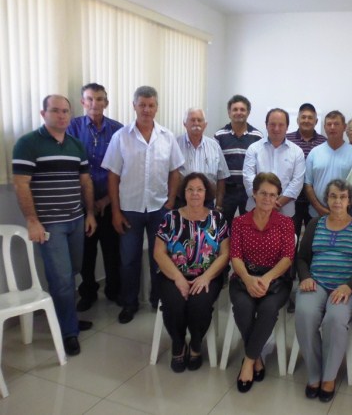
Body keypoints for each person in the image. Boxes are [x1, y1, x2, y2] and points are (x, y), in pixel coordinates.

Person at [12, 95, 97, 356]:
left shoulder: (75, 145)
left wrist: (90, 213)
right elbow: (21, 184)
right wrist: (32, 221)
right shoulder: (28, 144)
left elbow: (85, 182)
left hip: (76, 219)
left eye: (65, 112)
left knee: (72, 271)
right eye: (55, 111)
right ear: (43, 113)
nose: (61, 116)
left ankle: (66, 317)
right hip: (50, 224)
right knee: (60, 279)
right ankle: (68, 332)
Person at [102, 86, 184, 324]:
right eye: (142, 105)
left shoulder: (167, 137)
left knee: (160, 258)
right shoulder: (121, 137)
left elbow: (175, 171)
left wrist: (170, 202)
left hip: (159, 209)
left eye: (151, 105)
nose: (147, 109)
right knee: (128, 259)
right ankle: (129, 303)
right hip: (129, 209)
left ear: (156, 107)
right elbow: (113, 176)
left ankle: (158, 299)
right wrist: (115, 212)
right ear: (134, 105)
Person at [295, 179, 352, 402]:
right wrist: (306, 277)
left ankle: (329, 376)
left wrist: (350, 286)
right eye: (333, 196)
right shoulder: (315, 224)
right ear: (326, 199)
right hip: (316, 283)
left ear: (349, 201)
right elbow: (301, 258)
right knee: (304, 314)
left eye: (342, 197)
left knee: (335, 319)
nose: (337, 201)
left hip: (347, 287)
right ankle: (315, 373)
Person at [154, 173, 230, 373]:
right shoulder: (170, 218)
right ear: (184, 193)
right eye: (190, 189)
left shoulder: (218, 218)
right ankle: (178, 344)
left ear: (207, 193)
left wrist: (206, 277)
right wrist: (178, 278)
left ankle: (196, 345)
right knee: (174, 303)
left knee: (200, 304)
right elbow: (159, 253)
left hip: (208, 276)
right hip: (173, 275)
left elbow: (225, 254)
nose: (195, 194)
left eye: (200, 189)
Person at [229, 172, 296, 393]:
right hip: (243, 278)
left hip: (275, 281)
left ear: (277, 198)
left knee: (268, 308)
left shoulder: (285, 224)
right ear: (254, 194)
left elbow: (287, 258)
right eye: (263, 193)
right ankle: (256, 357)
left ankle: (248, 361)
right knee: (243, 307)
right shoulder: (240, 222)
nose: (267, 198)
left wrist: (266, 279)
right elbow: (235, 256)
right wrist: (248, 280)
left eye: (272, 195)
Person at [67, 83, 123, 311]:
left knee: (112, 251)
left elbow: (123, 169)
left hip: (111, 201)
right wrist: (89, 204)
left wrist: (107, 200)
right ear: (82, 102)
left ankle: (113, 291)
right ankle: (88, 292)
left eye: (99, 99)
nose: (94, 103)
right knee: (86, 253)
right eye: (89, 99)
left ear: (106, 103)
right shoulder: (72, 128)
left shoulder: (118, 130)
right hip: (82, 203)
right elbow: (71, 167)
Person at [243, 108, 305, 217]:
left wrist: (276, 203)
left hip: (285, 212)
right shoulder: (253, 149)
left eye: (281, 125)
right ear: (266, 125)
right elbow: (248, 178)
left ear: (287, 127)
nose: (276, 128)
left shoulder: (297, 152)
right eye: (272, 124)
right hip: (255, 211)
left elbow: (297, 182)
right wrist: (264, 201)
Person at [214, 95, 263, 227]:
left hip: (249, 191)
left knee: (249, 227)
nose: (239, 112)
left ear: (248, 112)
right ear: (229, 112)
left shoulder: (257, 136)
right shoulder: (219, 136)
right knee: (223, 227)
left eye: (242, 109)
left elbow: (260, 166)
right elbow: (217, 167)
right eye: (235, 109)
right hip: (227, 191)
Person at [305, 110, 352, 217]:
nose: (332, 127)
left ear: (344, 127)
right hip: (317, 214)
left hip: (346, 215)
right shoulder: (314, 152)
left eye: (336, 124)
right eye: (329, 124)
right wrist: (319, 208)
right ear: (325, 127)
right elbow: (308, 185)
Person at [286, 103, 327, 238]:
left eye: (310, 118)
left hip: (316, 201)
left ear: (316, 121)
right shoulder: (286, 140)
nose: (306, 120)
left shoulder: (324, 143)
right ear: (297, 120)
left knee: (314, 238)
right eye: (303, 117)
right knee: (291, 237)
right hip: (291, 200)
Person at [177, 107, 230, 208]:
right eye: (192, 120)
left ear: (205, 125)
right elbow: (169, 176)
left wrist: (218, 205)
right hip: (181, 203)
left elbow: (221, 178)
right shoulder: (175, 145)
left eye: (199, 120)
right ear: (185, 124)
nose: (196, 123)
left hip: (207, 202)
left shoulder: (214, 146)